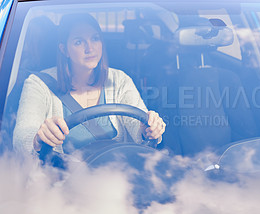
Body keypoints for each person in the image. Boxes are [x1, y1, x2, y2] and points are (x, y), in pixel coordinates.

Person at [13, 13, 166, 154]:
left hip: (120, 177)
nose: (90, 48)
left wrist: (148, 128)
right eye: (79, 42)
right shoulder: (38, 84)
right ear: (64, 49)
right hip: (64, 179)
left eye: (95, 38)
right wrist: (38, 139)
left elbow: (136, 122)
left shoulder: (119, 80)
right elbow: (22, 136)